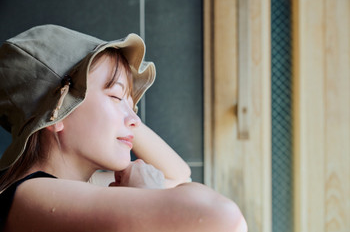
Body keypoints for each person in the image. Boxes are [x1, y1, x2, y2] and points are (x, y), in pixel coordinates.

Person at [0, 25, 247, 232]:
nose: (135, 120)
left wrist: (123, 105)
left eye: (133, 106)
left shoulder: (81, 186)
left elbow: (177, 175)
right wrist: (147, 193)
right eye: (116, 98)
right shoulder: (32, 194)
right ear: (56, 114)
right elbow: (225, 219)